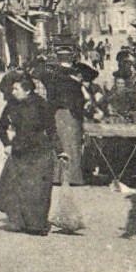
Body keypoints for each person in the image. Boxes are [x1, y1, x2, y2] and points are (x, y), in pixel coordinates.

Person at [0, 72, 63, 234]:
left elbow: (51, 130)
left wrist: (60, 151)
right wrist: (7, 144)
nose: (13, 92)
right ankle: (18, 221)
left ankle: (36, 225)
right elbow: (0, 126)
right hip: (19, 150)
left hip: (40, 151)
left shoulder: (41, 105)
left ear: (27, 90)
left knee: (38, 190)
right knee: (16, 187)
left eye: (16, 89)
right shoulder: (11, 105)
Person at [43, 55, 88, 185]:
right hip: (72, 115)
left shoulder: (53, 82)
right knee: (74, 146)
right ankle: (75, 178)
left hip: (57, 114)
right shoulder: (75, 84)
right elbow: (81, 100)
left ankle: (56, 177)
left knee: (57, 145)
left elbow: (50, 100)